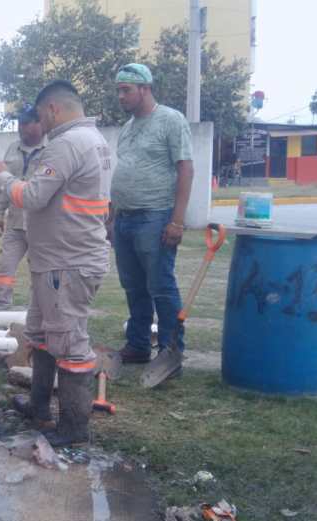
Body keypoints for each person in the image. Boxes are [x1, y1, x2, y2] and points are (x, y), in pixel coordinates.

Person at [0, 80, 112, 447]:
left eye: (41, 115)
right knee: (40, 335)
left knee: (71, 344)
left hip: (67, 264)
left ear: (54, 110)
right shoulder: (94, 141)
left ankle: (74, 429)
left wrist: (1, 175)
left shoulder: (68, 144)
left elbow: (31, 196)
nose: (39, 124)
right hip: (56, 261)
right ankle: (39, 407)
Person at [111, 63, 194, 369]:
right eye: (118, 90)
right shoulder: (127, 127)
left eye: (126, 90)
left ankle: (170, 354)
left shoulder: (170, 120)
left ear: (144, 88)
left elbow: (186, 168)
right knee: (133, 286)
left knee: (160, 286)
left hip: (156, 217)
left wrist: (177, 220)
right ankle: (138, 345)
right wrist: (112, 218)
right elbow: (125, 170)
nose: (120, 96)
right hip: (125, 219)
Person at [0, 104, 45, 310]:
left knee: (39, 272)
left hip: (40, 224)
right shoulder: (12, 148)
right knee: (5, 269)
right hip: (14, 222)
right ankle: (0, 311)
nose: (20, 128)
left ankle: (37, 313)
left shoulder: (53, 148)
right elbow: (3, 183)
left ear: (39, 123)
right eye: (18, 124)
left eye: (25, 124)